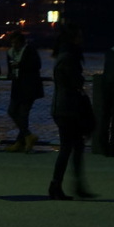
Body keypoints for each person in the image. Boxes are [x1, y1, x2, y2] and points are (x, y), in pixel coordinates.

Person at [48, 27, 95, 200]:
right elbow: (75, 81)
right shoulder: (70, 58)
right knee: (70, 147)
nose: (82, 39)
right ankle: (60, 185)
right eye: (79, 36)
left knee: (72, 146)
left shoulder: (62, 56)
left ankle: (64, 185)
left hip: (62, 107)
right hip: (68, 108)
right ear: (73, 39)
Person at [5, 31, 44, 153]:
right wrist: (11, 73)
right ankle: (27, 137)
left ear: (21, 42)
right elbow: (10, 68)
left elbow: (37, 65)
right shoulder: (10, 53)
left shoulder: (30, 50)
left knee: (22, 113)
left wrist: (20, 66)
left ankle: (21, 142)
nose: (13, 45)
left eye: (15, 42)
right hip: (18, 85)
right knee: (13, 111)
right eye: (12, 42)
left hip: (29, 86)